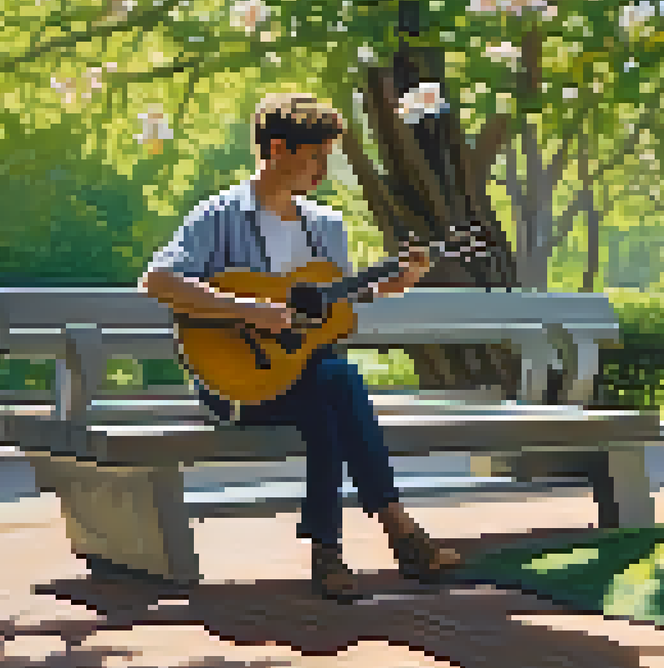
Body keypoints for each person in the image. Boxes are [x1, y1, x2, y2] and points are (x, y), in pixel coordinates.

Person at [139, 93, 464, 602]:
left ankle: (329, 551)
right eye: (313, 156)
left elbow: (330, 314)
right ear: (275, 148)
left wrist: (391, 284)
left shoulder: (325, 227)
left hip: (306, 382)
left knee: (330, 392)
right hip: (239, 383)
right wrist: (247, 310)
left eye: (325, 157)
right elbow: (158, 281)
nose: (321, 169)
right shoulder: (219, 215)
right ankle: (397, 530)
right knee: (340, 383)